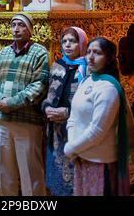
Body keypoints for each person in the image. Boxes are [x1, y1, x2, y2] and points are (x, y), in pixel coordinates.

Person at [0, 13, 49, 196]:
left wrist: (12, 103)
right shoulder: (3, 52)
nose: (16, 28)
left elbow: (39, 85)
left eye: (21, 25)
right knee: (5, 173)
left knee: (30, 171)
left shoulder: (39, 52)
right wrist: (0, 100)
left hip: (27, 120)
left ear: (29, 29)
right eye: (13, 24)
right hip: (2, 120)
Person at [64, 37, 130, 196]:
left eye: (97, 53)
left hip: (100, 162)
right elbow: (73, 118)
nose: (91, 57)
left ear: (108, 58)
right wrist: (73, 146)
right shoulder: (86, 81)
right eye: (88, 52)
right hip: (82, 156)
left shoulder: (108, 88)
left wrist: (71, 148)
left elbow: (97, 131)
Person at [42, 26, 88, 195]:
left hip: (78, 131)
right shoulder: (57, 65)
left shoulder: (88, 69)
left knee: (76, 181)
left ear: (82, 44)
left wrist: (67, 112)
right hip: (56, 131)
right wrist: (47, 108)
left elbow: (89, 104)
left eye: (73, 41)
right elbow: (49, 94)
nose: (68, 45)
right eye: (64, 41)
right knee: (57, 177)